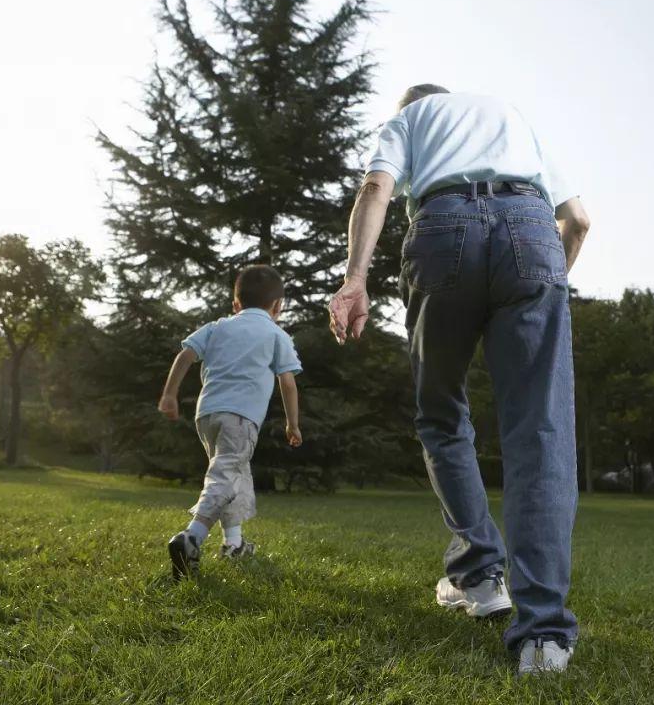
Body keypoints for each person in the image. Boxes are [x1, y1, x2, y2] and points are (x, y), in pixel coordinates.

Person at [327, 85, 592, 675]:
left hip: (443, 233)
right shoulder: (510, 116)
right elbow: (577, 221)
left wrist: (355, 279)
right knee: (541, 430)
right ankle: (543, 639)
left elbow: (376, 188)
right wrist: (542, 284)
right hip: (533, 231)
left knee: (442, 413)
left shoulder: (410, 118)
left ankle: (478, 575)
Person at [158, 264, 303, 580]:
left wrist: (169, 395)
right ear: (278, 306)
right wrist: (293, 424)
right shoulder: (276, 334)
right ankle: (192, 536)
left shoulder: (217, 327)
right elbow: (288, 382)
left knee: (234, 474)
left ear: (236, 303)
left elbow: (185, 355)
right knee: (226, 474)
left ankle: (233, 544)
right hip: (241, 417)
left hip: (207, 415)